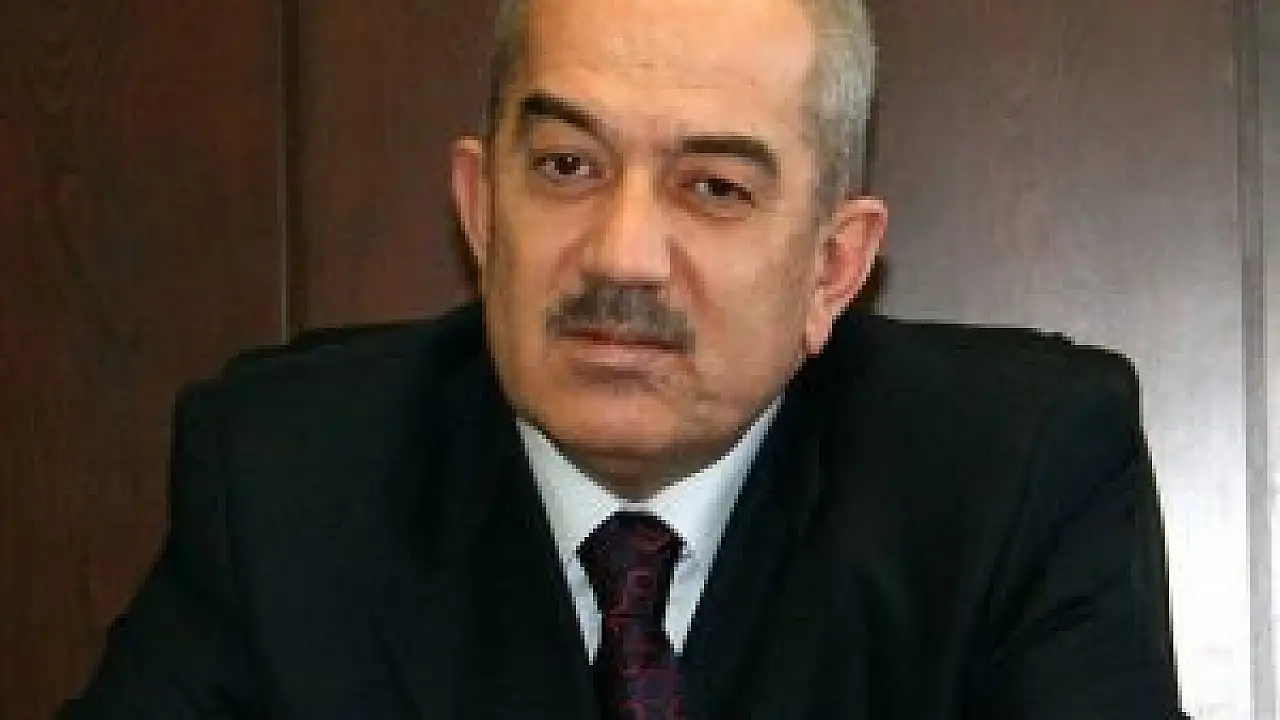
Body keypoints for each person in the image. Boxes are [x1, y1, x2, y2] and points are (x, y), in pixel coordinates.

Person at [62, 0, 1184, 717]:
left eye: (713, 187)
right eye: (566, 166)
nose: (623, 255)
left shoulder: (1007, 481)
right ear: (480, 209)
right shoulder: (288, 477)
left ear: (831, 268)